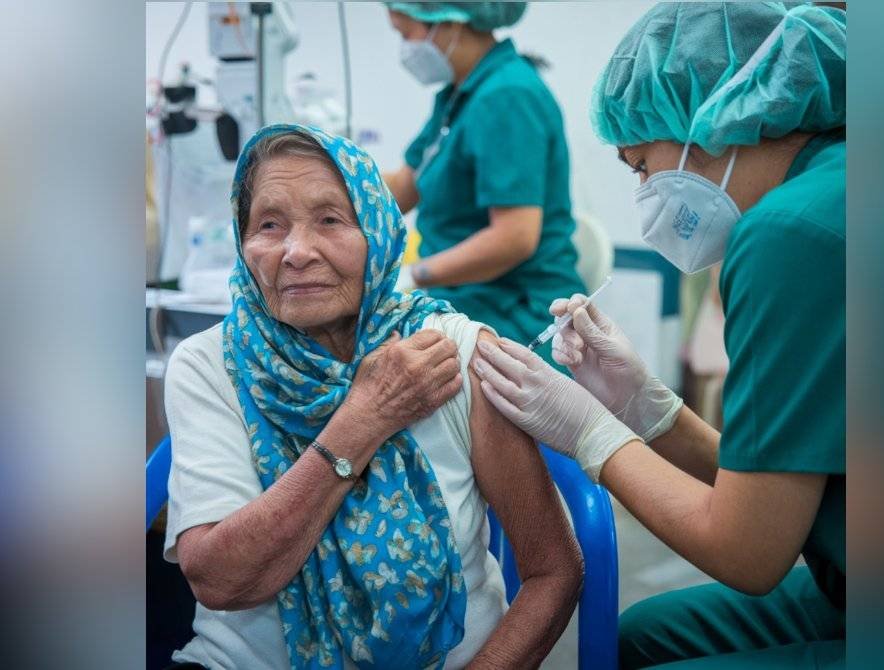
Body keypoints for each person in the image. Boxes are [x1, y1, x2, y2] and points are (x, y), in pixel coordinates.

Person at [473, 3, 846, 668]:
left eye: (641, 165)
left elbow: (749, 551)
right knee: (643, 634)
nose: (645, 194)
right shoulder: (839, 183)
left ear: (710, 120)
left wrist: (590, 432)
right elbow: (773, 489)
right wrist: (647, 408)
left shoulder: (788, 235)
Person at [161, 124, 582, 670]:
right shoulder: (209, 363)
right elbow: (218, 580)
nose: (295, 251)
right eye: (269, 224)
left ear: (380, 233)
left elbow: (554, 570)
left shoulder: (449, 349)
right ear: (243, 244)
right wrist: (364, 419)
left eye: (331, 220)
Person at [382, 2, 586, 365]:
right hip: (466, 303)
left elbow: (513, 239)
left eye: (404, 33)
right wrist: (327, 180)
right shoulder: (458, 96)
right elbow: (405, 185)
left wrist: (413, 275)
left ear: (448, 22)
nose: (403, 48)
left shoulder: (507, 96)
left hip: (513, 316)